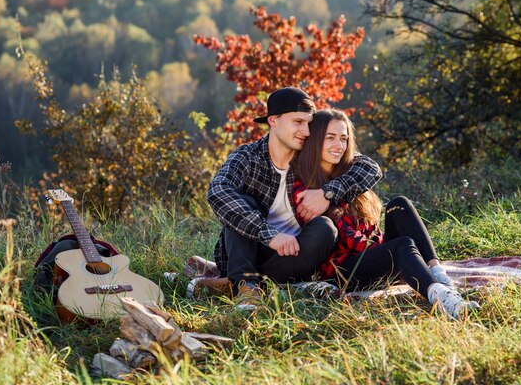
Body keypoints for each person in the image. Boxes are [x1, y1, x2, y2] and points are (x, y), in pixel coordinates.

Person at [192, 88, 382, 309]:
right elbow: (218, 191)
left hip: (297, 256)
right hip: (251, 250)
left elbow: (369, 167)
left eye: (308, 124)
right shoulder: (248, 157)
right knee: (242, 202)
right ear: (273, 120)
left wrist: (326, 193)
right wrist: (269, 234)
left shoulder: (308, 153)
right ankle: (246, 286)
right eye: (298, 122)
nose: (305, 131)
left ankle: (238, 285)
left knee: (326, 229)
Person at [291, 109, 479, 319]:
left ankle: (439, 277)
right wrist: (390, 251)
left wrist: (385, 250)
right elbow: (348, 239)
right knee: (402, 246)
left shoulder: (348, 176)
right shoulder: (306, 190)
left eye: (343, 139)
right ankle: (442, 299)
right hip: (342, 271)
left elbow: (372, 175)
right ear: (315, 140)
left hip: (368, 256)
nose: (339, 146)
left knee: (399, 205)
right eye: (330, 138)